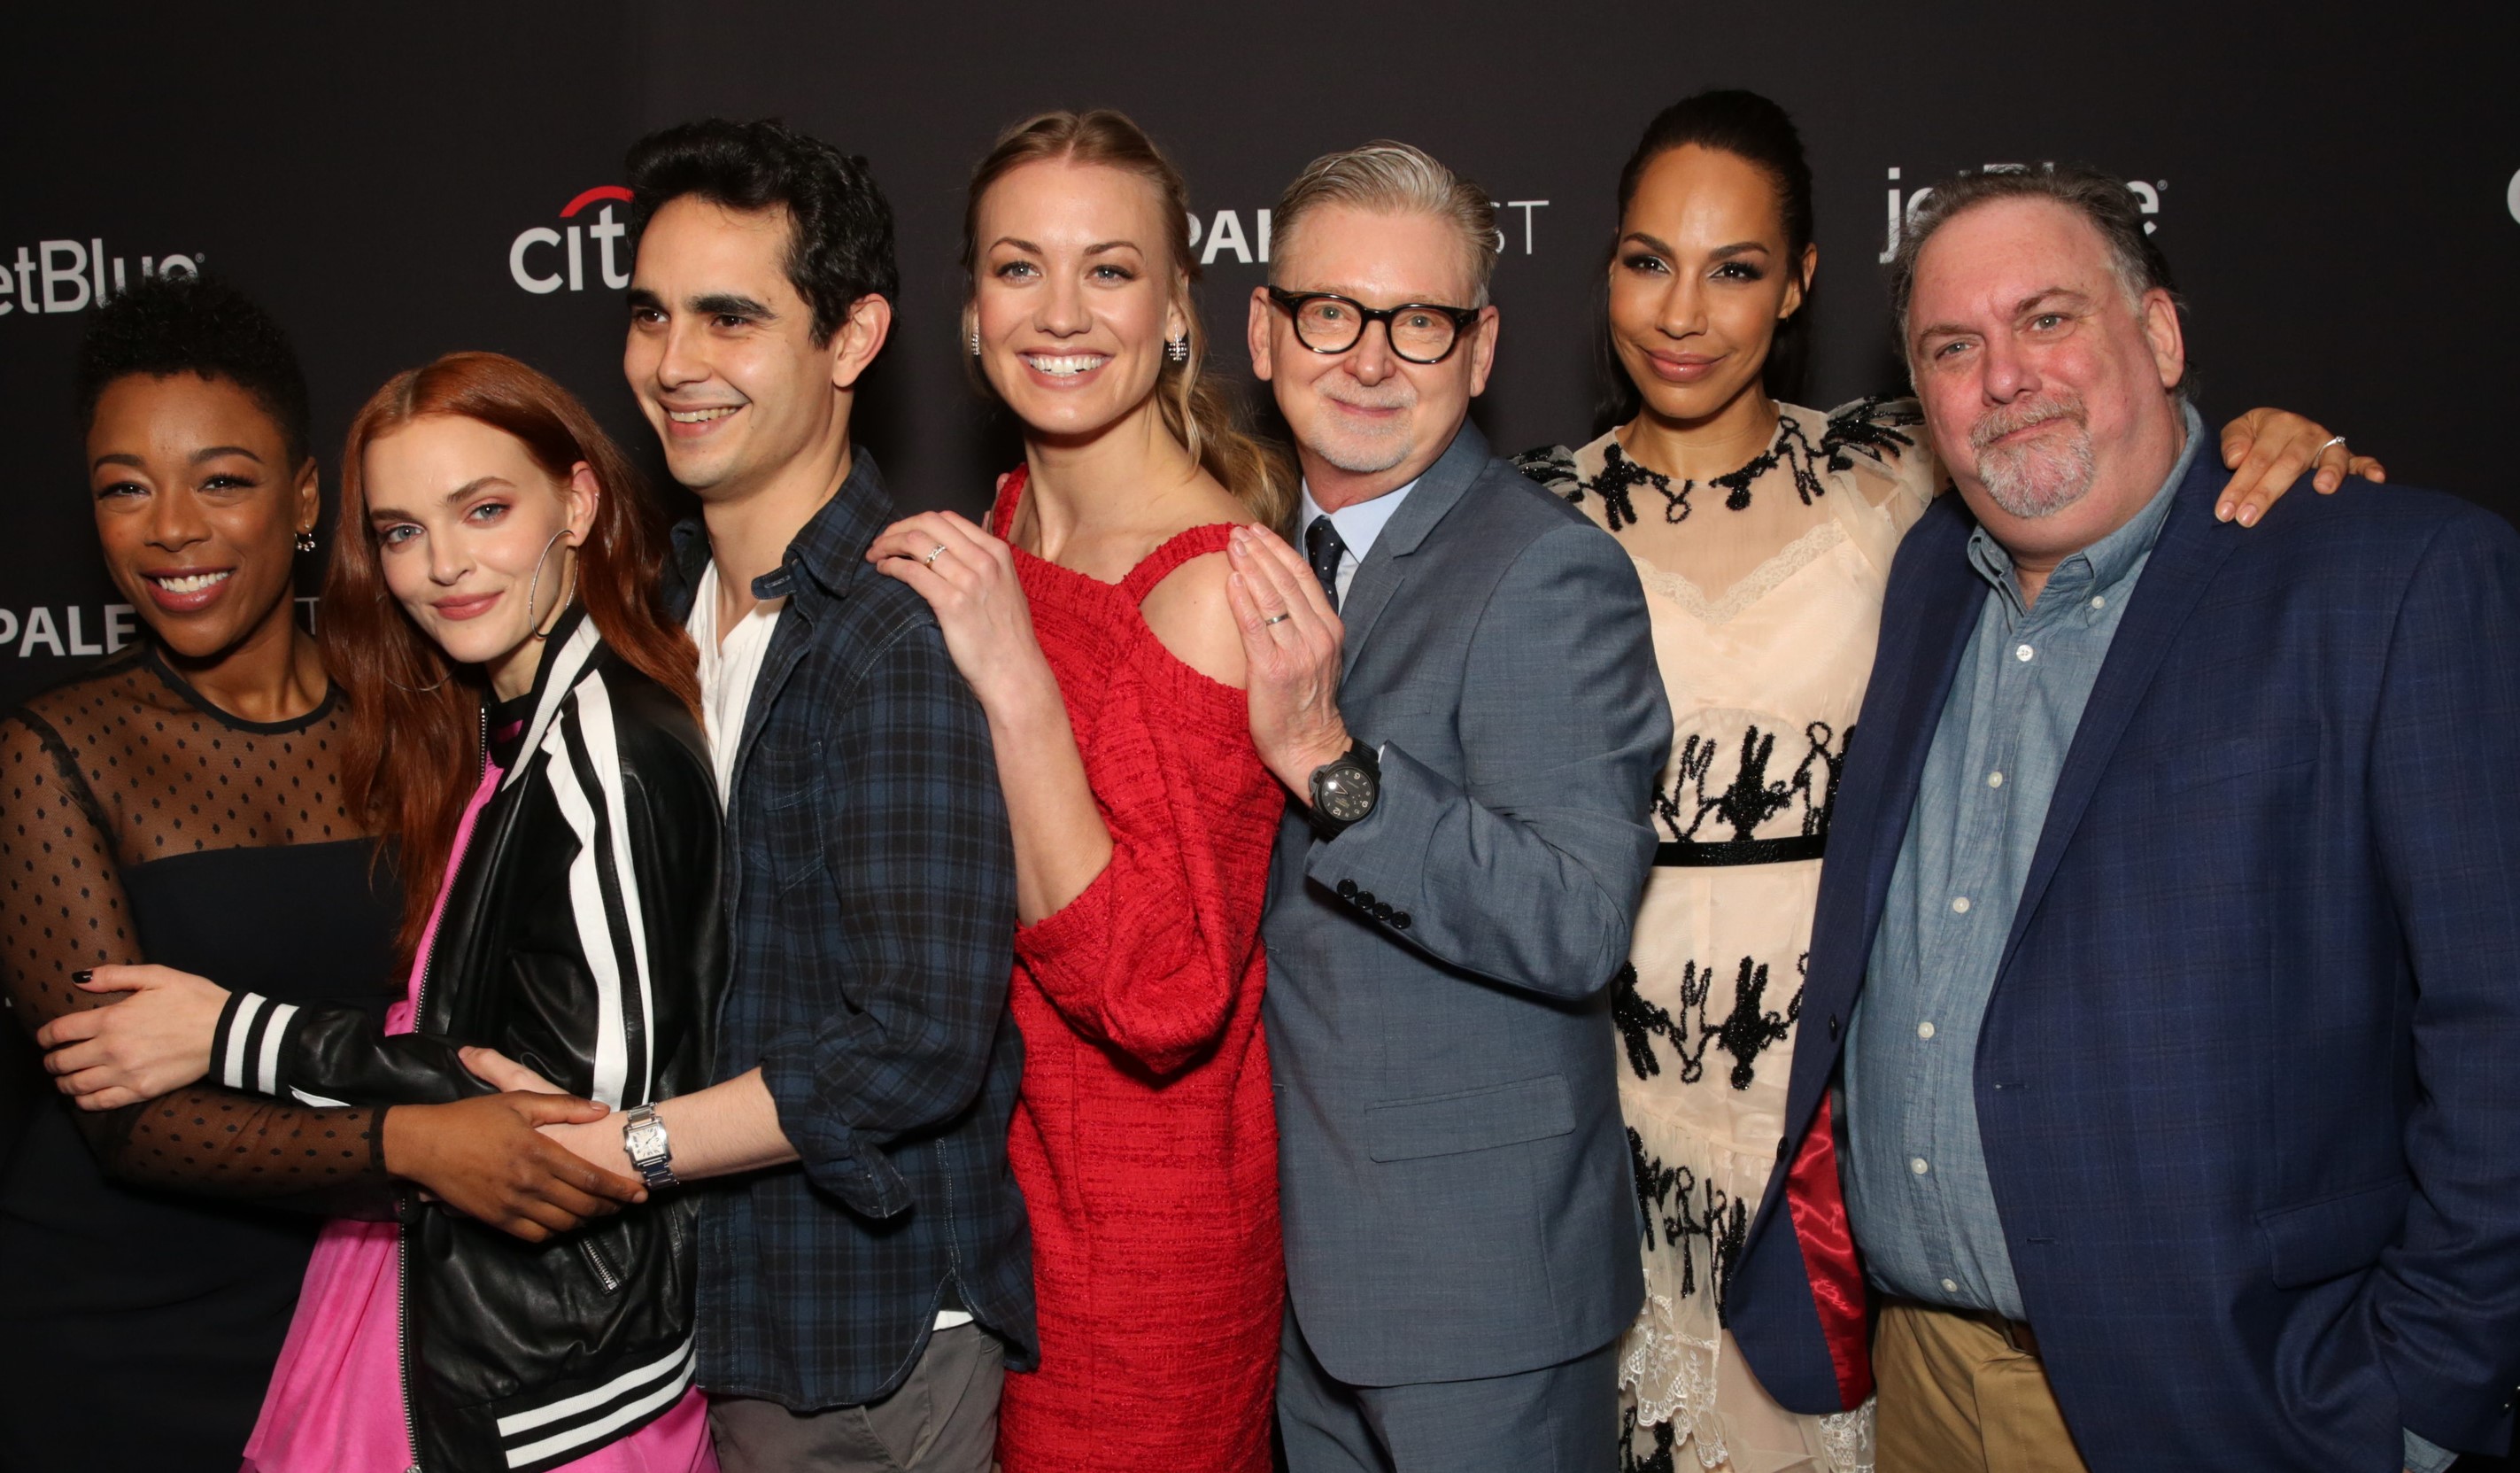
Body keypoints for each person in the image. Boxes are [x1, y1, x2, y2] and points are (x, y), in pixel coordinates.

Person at [1510, 91, 2380, 1473]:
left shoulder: (1904, 470)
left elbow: (2107, 464)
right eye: (1643, 257)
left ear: (1798, 283)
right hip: (1607, 1118)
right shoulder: (1522, 510)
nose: (1680, 311)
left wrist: (2269, 434)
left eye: (1734, 267)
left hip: (1832, 1141)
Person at [1725, 165, 2520, 1473]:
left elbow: (2497, 1029)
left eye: (2046, 319)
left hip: (2227, 1401)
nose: (2004, 375)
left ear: (2155, 333)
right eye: (1952, 346)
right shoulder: (1929, 573)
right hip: (1924, 1383)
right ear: (1917, 393)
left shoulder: (2394, 581)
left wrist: (2422, 1397)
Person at [41, 350, 725, 1472]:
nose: (443, 565)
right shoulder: (505, 729)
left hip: (554, 1389)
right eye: (403, 531)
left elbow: (572, 1122)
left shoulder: (605, 747)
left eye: (485, 510)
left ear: (579, 501)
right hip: (471, 1339)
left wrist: (232, 1031)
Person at [472, 118, 1034, 1473]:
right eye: (651, 315)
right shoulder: (647, 613)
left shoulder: (893, 633)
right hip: (682, 1330)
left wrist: (630, 1148)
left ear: (849, 341)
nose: (674, 364)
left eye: (731, 317)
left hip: (857, 1335)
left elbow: (916, 1035)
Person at [1218, 141, 1669, 1473]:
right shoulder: (1234, 548)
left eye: (1418, 323)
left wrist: (1331, 763)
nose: (1368, 359)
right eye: (1330, 312)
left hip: (1482, 1292)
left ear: (1478, 350)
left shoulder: (1545, 572)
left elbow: (1575, 918)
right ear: (1263, 327)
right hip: (1295, 1286)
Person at [862, 109, 1292, 1473]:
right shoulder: (995, 524)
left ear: (1176, 309)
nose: (1061, 312)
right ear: (972, 310)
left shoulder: (1217, 582)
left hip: (1140, 1253)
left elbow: (1159, 993)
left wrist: (1015, 678)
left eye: (1108, 270)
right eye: (1017, 267)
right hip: (982, 1209)